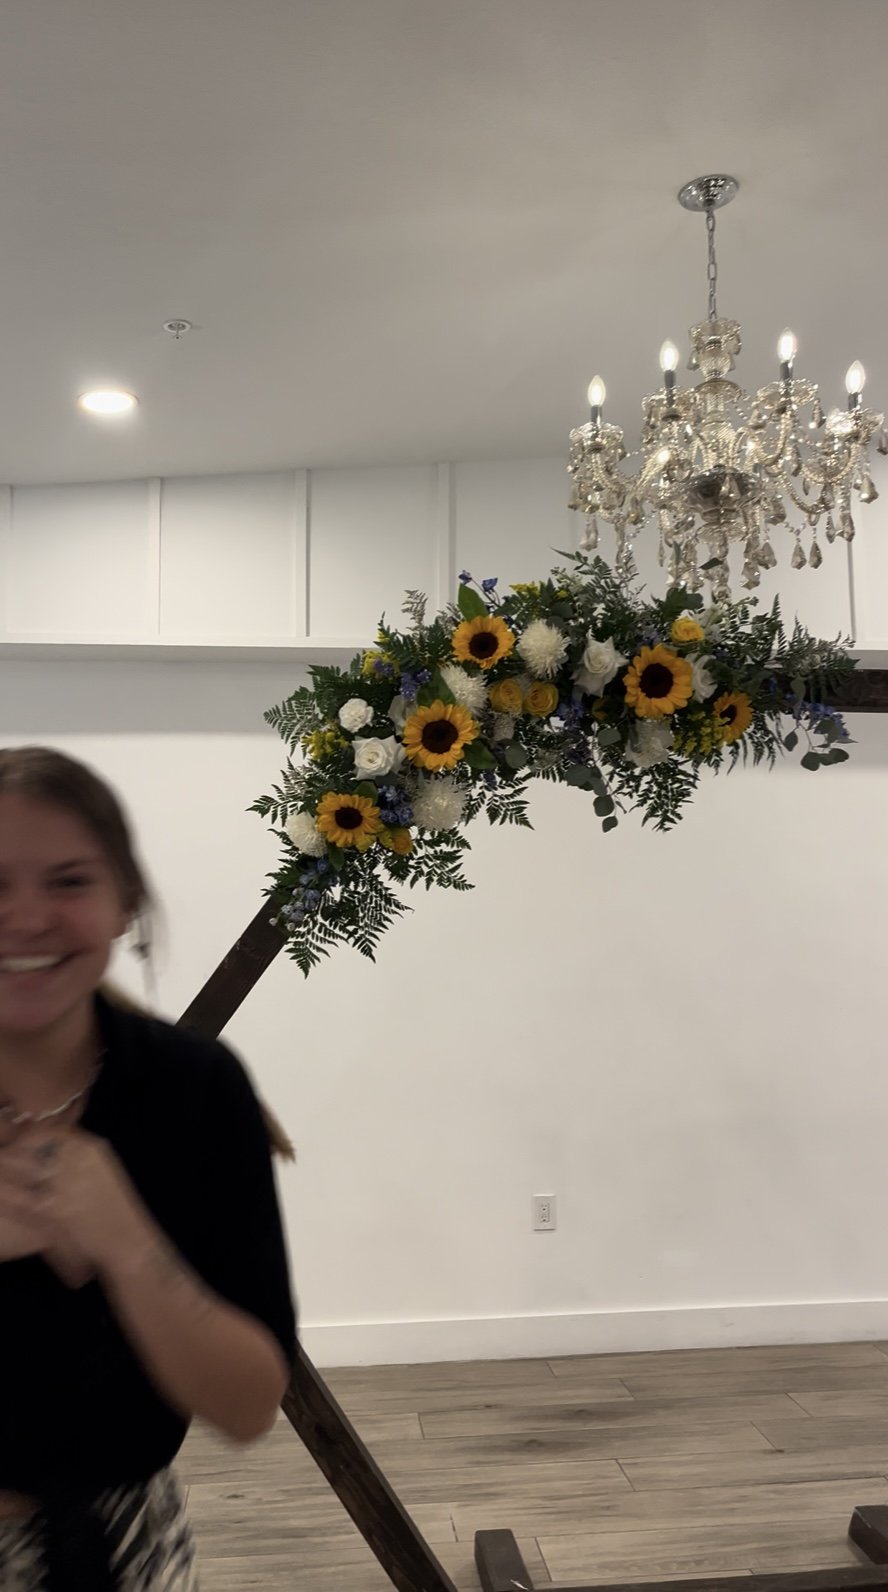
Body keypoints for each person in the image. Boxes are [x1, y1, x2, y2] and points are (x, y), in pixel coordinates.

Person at [0, 746, 297, 1590]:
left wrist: (128, 1246)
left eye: (67, 881)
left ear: (125, 898)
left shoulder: (192, 1092)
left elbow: (246, 1406)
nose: (25, 918)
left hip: (126, 1552)